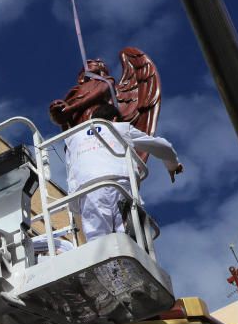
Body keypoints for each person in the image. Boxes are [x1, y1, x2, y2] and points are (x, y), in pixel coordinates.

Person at [64, 102, 183, 241]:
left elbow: (70, 175)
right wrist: (173, 165)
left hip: (87, 189)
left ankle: (107, 262)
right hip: (120, 184)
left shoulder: (73, 138)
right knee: (129, 238)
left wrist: (75, 207)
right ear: (114, 119)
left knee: (97, 240)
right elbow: (162, 146)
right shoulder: (119, 127)